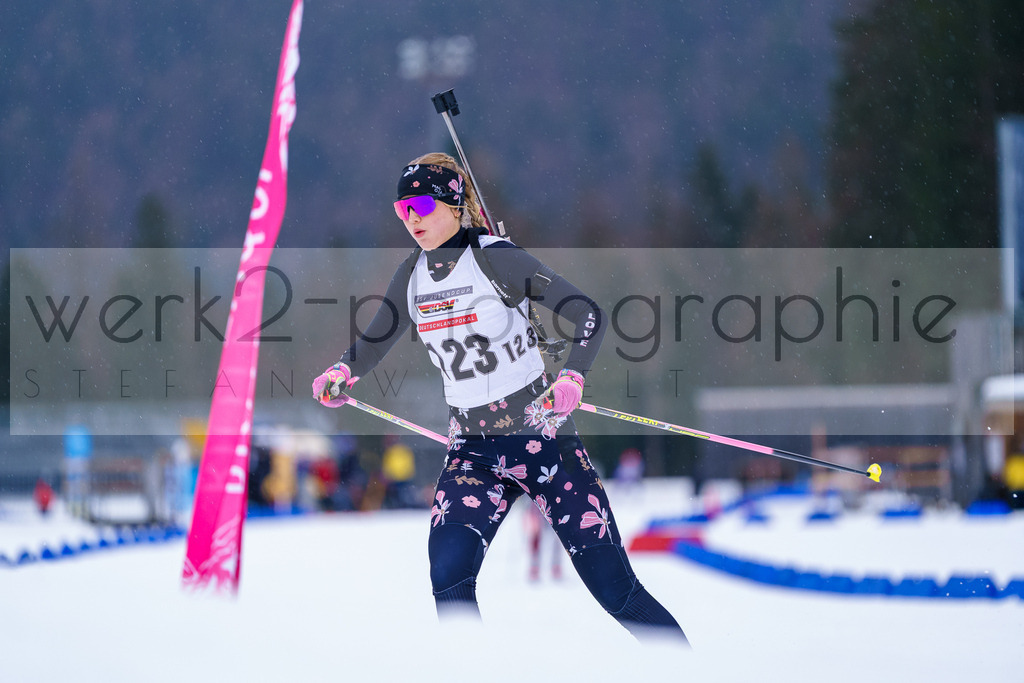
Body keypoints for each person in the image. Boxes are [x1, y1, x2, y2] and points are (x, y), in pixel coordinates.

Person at [312, 153, 687, 643]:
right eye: (402, 210)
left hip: (541, 440)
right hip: (472, 451)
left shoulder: (496, 258)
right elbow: (376, 338)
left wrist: (572, 378)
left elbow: (588, 315)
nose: (412, 219)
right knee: (448, 580)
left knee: (616, 592)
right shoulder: (411, 276)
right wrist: (343, 369)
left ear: (452, 202)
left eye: (422, 205)